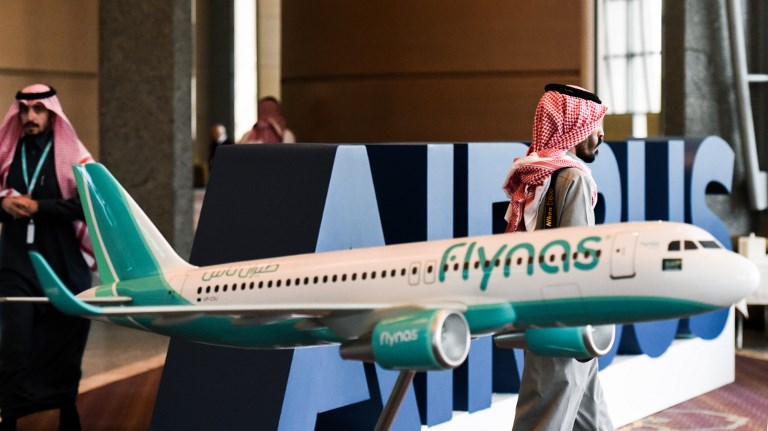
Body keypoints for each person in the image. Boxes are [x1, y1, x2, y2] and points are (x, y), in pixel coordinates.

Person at [502, 83, 613, 430]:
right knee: (546, 416)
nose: (601, 134)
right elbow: (577, 258)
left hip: (545, 310)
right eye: (595, 124)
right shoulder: (572, 178)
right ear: (574, 126)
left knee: (591, 419)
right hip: (564, 319)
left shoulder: (534, 173)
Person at [0, 84, 95, 431]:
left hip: (63, 264)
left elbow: (88, 204)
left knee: (65, 343)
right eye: (25, 110)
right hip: (17, 263)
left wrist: (41, 207)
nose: (30, 117)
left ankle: (67, 411)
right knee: (15, 344)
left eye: (38, 110)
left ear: (52, 115)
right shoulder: (8, 153)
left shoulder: (72, 155)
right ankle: (10, 415)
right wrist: (4, 204)